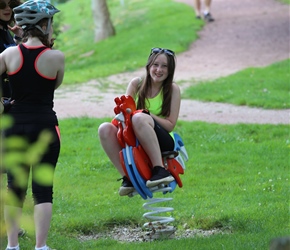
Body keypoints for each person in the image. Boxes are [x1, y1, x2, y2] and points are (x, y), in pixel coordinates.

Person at [0, 0, 65, 249]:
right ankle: (41, 246)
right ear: (44, 23)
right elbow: (53, 85)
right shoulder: (56, 58)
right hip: (45, 126)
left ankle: (12, 245)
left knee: (14, 187)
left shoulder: (7, 55)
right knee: (42, 190)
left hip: (14, 126)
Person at [98, 47, 181, 196]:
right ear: (149, 65)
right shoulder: (137, 84)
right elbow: (125, 110)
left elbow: (170, 125)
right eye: (155, 65)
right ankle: (128, 178)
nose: (159, 70)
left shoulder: (172, 89)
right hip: (135, 135)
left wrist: (146, 115)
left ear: (170, 70)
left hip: (162, 139)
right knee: (104, 128)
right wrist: (127, 113)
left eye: (164, 66)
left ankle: (159, 169)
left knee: (139, 117)